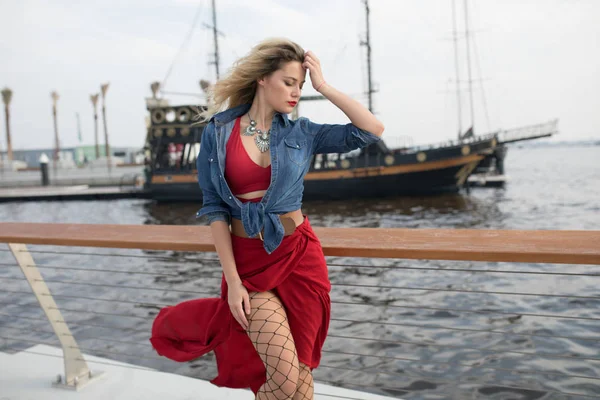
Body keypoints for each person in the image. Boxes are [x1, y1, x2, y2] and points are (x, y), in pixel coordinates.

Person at [150, 38, 384, 400]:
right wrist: (232, 281)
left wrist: (323, 86)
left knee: (301, 381)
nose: (297, 93)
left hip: (299, 258)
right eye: (289, 82)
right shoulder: (218, 131)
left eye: (302, 86)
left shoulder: (303, 132)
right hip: (249, 266)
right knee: (286, 381)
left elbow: (370, 130)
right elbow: (214, 208)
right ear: (262, 78)